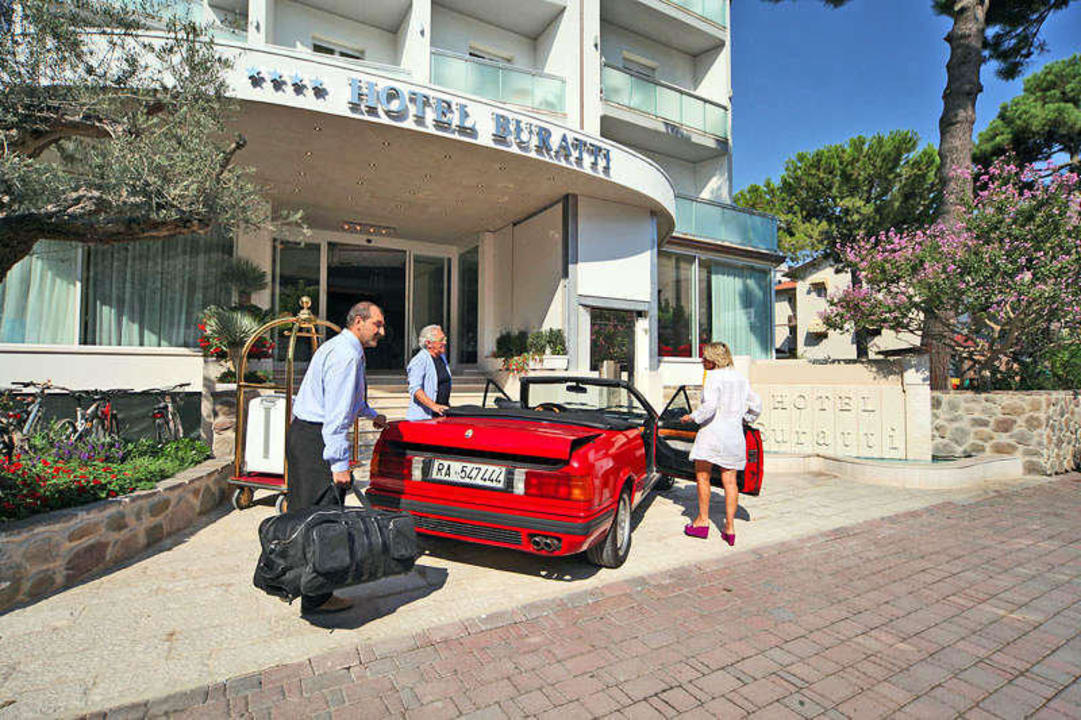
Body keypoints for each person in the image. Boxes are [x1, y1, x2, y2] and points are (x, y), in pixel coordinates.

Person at [287, 300, 388, 615]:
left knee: (310, 517)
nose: (381, 331)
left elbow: (348, 399)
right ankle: (316, 598)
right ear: (359, 321)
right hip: (315, 439)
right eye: (377, 324)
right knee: (322, 521)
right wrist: (339, 463)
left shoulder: (342, 348)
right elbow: (335, 417)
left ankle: (308, 589)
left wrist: (371, 413)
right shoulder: (346, 356)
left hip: (306, 435)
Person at [680, 342, 761, 545]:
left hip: (712, 434)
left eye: (704, 358)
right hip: (734, 436)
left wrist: (692, 417)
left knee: (703, 477)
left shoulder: (714, 377)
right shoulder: (740, 378)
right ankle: (730, 528)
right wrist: (745, 419)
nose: (702, 361)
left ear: (713, 360)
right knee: (731, 482)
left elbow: (710, 406)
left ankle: (702, 522)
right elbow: (756, 405)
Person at [405, 324, 451, 421]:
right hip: (424, 417)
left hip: (441, 415)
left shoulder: (442, 358)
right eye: (441, 340)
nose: (445, 342)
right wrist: (434, 406)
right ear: (429, 343)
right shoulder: (419, 360)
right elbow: (415, 389)